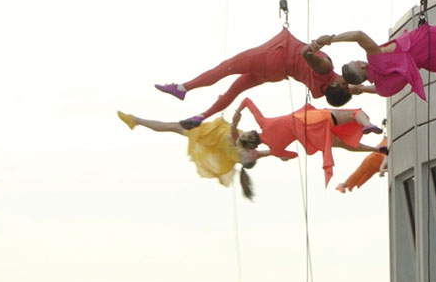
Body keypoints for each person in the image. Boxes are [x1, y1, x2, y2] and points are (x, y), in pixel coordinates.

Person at [154, 27, 373, 129]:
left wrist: (318, 43)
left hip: (275, 56)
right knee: (234, 91)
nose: (347, 81)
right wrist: (364, 87)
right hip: (275, 73)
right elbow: (347, 90)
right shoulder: (320, 91)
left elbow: (307, 55)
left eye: (345, 84)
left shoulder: (326, 68)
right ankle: (202, 116)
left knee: (226, 68)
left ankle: (183, 88)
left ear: (337, 85)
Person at [236, 98, 387, 187]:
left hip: (312, 136)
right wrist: (237, 113)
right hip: (310, 118)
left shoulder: (275, 150)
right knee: (354, 113)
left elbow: (294, 155)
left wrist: (281, 155)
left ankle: (377, 149)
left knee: (342, 144)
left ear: (254, 146)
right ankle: (367, 124)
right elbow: (247, 101)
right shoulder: (263, 123)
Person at [117, 110, 260, 200]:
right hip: (211, 131)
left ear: (246, 157)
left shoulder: (236, 144)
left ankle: (135, 120)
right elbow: (267, 152)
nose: (255, 152)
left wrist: (235, 118)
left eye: (253, 155)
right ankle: (135, 120)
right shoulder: (247, 152)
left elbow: (232, 130)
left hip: (204, 135)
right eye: (255, 153)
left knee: (171, 126)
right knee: (171, 126)